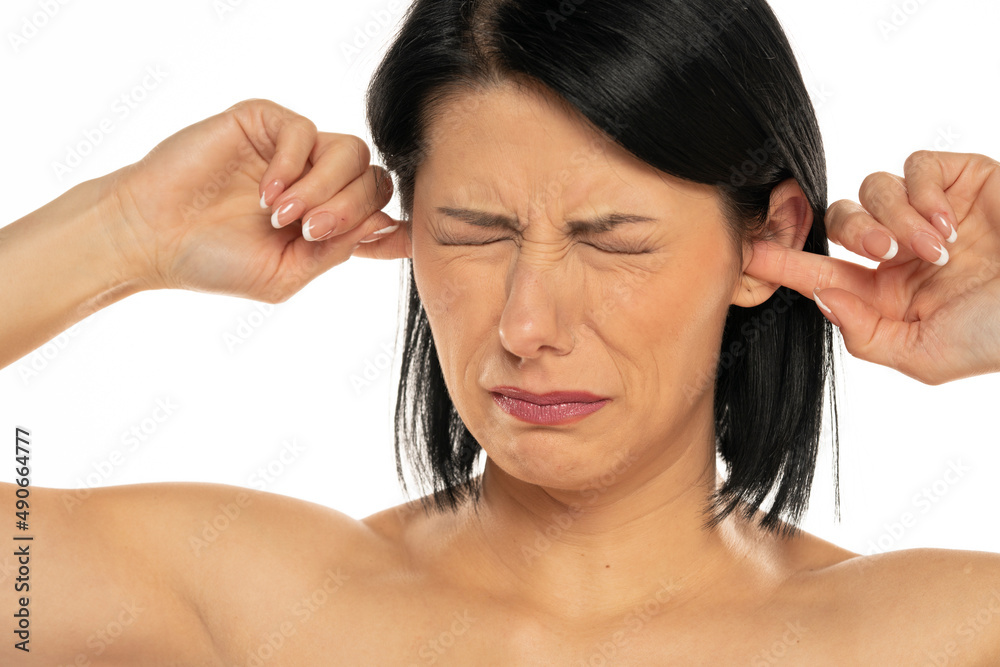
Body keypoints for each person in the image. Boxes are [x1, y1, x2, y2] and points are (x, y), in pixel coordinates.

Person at [3, 0, 999, 663]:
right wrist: (117, 233)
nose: (527, 325)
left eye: (612, 242)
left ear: (765, 243)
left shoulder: (932, 634)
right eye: (476, 234)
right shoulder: (260, 607)